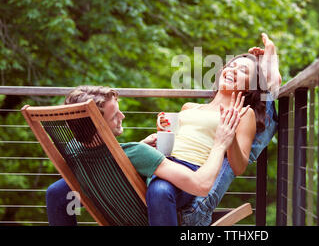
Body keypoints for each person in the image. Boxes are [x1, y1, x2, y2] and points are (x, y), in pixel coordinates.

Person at [45, 85, 245, 225]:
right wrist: (220, 144)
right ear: (96, 125)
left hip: (116, 211)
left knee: (55, 192)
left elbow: (104, 161)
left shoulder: (72, 150)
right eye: (115, 115)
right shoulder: (138, 154)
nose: (122, 116)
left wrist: (134, 151)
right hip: (148, 214)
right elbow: (200, 186)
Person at [144, 33, 281, 225]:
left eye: (242, 71)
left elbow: (239, 166)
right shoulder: (188, 107)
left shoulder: (243, 114)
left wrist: (230, 134)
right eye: (231, 66)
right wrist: (164, 131)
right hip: (163, 164)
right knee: (139, 169)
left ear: (250, 87)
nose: (232, 70)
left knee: (160, 190)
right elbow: (167, 149)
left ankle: (268, 66)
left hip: (192, 174)